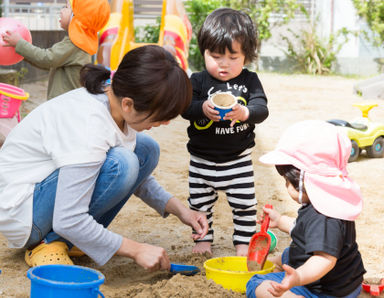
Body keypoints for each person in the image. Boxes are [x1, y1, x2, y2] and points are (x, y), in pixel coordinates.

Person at [0, 45, 208, 271]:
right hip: (24, 214)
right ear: (128, 104)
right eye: (160, 117)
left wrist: (181, 210)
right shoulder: (90, 124)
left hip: (43, 196)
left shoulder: (113, 101)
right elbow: (69, 218)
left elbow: (139, 178)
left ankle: (70, 240)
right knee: (122, 164)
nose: (164, 123)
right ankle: (49, 243)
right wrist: (136, 249)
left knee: (146, 149)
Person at [181, 8, 269, 256]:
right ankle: (203, 240)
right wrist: (202, 108)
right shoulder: (197, 81)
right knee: (199, 205)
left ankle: (243, 244)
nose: (223, 64)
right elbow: (185, 108)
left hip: (238, 160)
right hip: (201, 160)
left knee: (244, 207)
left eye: (233, 57)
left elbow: (261, 109)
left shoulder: (250, 81)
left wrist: (245, 113)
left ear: (246, 56)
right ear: (204, 52)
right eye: (216, 56)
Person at [246, 120, 366, 298]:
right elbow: (302, 230)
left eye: (288, 182)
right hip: (348, 283)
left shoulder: (323, 217)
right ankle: (276, 265)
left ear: (306, 180)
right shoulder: (331, 201)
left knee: (255, 284)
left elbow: (324, 259)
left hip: (324, 291)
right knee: (289, 253)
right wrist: (279, 221)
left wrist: (298, 277)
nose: (286, 187)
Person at [1, 0, 110, 99]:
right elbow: (50, 63)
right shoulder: (81, 43)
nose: (61, 11)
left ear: (77, 17)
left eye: (66, 7)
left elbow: (47, 59)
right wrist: (21, 50)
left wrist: (20, 44)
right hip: (69, 102)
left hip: (64, 104)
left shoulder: (74, 44)